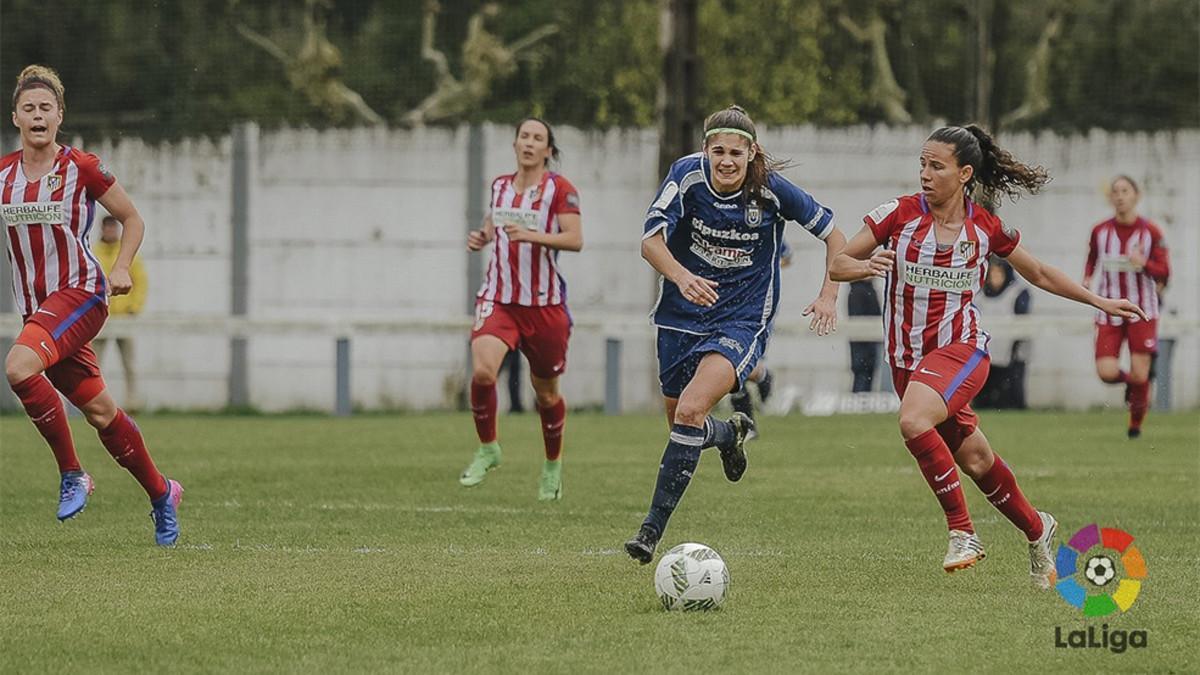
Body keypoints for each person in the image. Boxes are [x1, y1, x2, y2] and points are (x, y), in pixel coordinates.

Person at [830, 124, 1145, 587]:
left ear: (964, 173)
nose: (925, 174)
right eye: (922, 164)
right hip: (908, 363)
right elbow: (838, 263)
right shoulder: (897, 215)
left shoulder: (985, 227)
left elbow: (1038, 272)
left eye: (936, 166)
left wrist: (1098, 301)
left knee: (913, 421)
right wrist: (863, 264)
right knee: (977, 461)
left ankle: (963, 531)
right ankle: (1039, 530)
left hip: (962, 351)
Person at [625, 105, 845, 563]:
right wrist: (683, 277)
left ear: (752, 153)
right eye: (718, 151)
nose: (726, 161)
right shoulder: (686, 176)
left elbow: (834, 235)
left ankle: (649, 533)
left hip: (741, 320)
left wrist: (829, 295)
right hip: (679, 317)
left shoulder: (770, 190)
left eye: (736, 153)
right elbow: (650, 241)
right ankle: (728, 434)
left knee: (688, 411)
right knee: (682, 426)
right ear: (705, 150)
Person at [2, 65, 182, 545]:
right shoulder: (3, 175)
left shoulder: (81, 167)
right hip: (39, 311)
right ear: (15, 117)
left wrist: (121, 266)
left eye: (46, 108)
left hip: (81, 295)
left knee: (19, 368)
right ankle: (163, 493)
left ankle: (72, 474)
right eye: (29, 108)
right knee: (101, 413)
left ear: (60, 116)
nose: (37, 115)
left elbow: (132, 218)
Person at [460, 117, 582, 501]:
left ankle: (552, 465)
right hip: (498, 298)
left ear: (548, 150)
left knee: (545, 395)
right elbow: (493, 226)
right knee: (482, 371)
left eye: (538, 138)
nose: (529, 143)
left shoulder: (560, 190)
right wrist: (482, 237)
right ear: (515, 144)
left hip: (544, 307)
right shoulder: (499, 186)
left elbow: (575, 239)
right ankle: (489, 447)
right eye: (524, 137)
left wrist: (531, 235)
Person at [1083, 175, 1170, 438]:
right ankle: (1134, 385)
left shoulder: (1151, 232)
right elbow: (1092, 258)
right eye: (1115, 192)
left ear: (1136, 195)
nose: (1120, 196)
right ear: (1111, 198)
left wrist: (1144, 263)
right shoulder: (1100, 231)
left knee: (1140, 370)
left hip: (1142, 310)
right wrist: (1087, 277)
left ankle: (1135, 428)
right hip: (1109, 309)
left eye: (1125, 191)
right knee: (1106, 372)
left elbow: (1165, 271)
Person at [92, 215, 148, 411]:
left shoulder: (127, 253)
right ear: (102, 230)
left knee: (129, 363)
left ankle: (133, 403)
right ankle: (94, 404)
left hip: (124, 317)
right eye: (107, 228)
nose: (110, 232)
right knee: (93, 364)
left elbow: (141, 282)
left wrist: (134, 307)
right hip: (100, 317)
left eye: (113, 228)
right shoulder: (94, 253)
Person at [974, 257, 1031, 409]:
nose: (995, 278)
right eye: (992, 273)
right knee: (983, 394)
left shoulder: (1017, 292)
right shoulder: (979, 294)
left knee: (1009, 394)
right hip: (984, 349)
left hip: (1009, 351)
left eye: (999, 273)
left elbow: (1022, 322)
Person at [847, 279, 883, 393]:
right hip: (862, 345)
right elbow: (860, 322)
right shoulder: (859, 291)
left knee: (868, 372)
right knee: (862, 372)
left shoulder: (866, 290)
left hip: (869, 343)